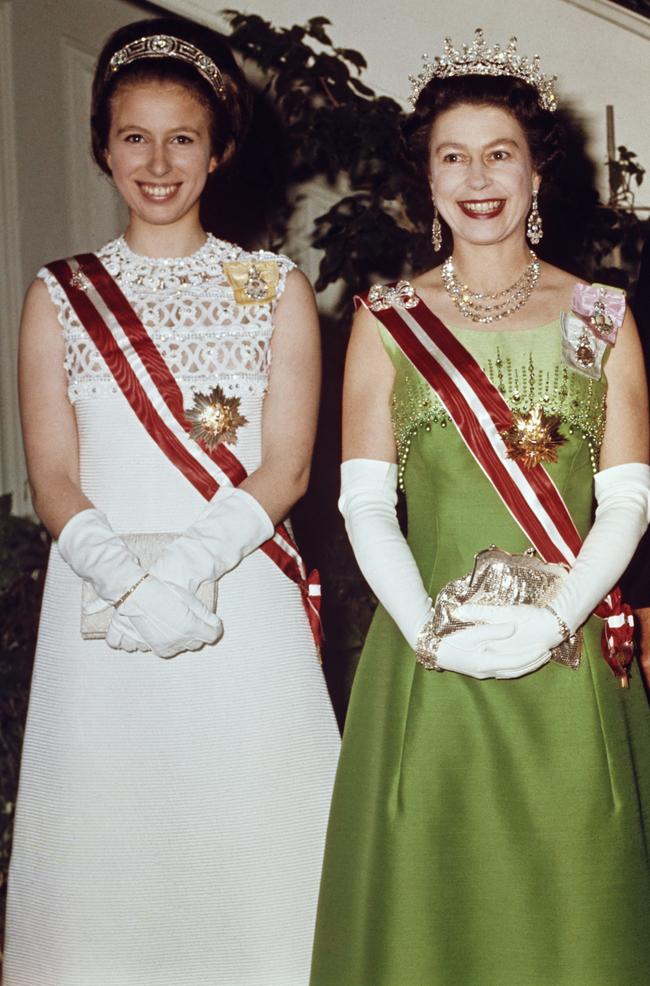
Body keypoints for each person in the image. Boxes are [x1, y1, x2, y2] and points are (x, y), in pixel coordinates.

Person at [310, 29, 650, 986]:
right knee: (438, 912)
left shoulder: (598, 316)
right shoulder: (387, 318)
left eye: (499, 152)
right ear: (425, 180)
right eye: (451, 157)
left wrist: (551, 618)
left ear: (537, 171)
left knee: (571, 901)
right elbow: (365, 503)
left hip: (569, 656)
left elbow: (626, 499)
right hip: (430, 666)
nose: (477, 178)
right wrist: (429, 629)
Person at [4, 16, 339, 985]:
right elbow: (53, 474)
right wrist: (128, 580)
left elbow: (286, 465)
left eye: (182, 136)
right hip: (102, 605)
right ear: (104, 145)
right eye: (134, 136)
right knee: (117, 842)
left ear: (218, 150)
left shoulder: (272, 285)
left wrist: (184, 570)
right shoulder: (59, 293)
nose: (158, 161)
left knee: (258, 836)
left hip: (237, 591)